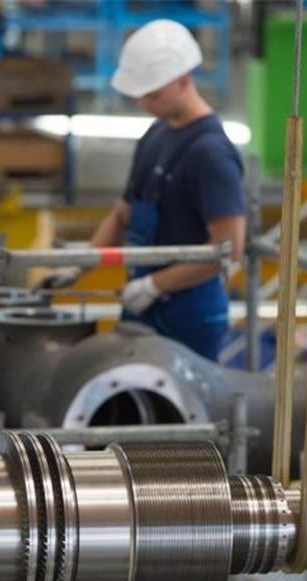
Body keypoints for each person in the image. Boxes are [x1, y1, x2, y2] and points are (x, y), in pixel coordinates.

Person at [38, 19, 246, 361]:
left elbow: (227, 249)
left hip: (187, 314)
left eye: (154, 94)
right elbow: (123, 213)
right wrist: (79, 266)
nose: (145, 104)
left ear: (184, 80)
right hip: (143, 303)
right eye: (140, 95)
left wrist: (154, 286)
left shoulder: (210, 154)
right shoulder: (156, 134)